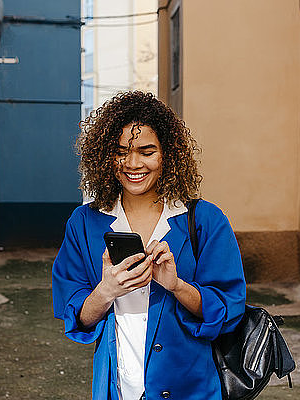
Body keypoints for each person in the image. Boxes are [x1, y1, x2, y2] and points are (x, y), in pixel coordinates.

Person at [52, 91, 246, 400]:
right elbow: (76, 317)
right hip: (117, 389)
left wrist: (177, 285)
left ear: (167, 154)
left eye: (146, 151)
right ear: (105, 155)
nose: (132, 163)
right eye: (120, 151)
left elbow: (228, 309)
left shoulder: (205, 220)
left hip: (192, 388)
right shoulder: (83, 224)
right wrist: (106, 291)